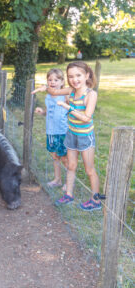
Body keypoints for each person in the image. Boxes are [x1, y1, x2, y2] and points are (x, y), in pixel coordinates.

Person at [32, 61, 101, 211]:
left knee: (89, 170)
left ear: (87, 75)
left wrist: (67, 107)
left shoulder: (91, 94)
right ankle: (68, 195)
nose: (74, 79)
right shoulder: (70, 91)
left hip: (84, 136)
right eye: (71, 76)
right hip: (71, 133)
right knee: (71, 165)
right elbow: (55, 92)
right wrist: (46, 87)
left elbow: (86, 118)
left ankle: (95, 200)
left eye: (78, 75)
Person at [34, 68, 68, 191]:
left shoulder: (65, 95)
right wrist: (42, 112)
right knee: (55, 156)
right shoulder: (48, 96)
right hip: (51, 131)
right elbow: (49, 111)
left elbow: (71, 109)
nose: (52, 82)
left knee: (64, 158)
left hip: (62, 131)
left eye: (56, 80)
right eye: (50, 80)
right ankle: (57, 180)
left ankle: (69, 182)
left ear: (62, 82)